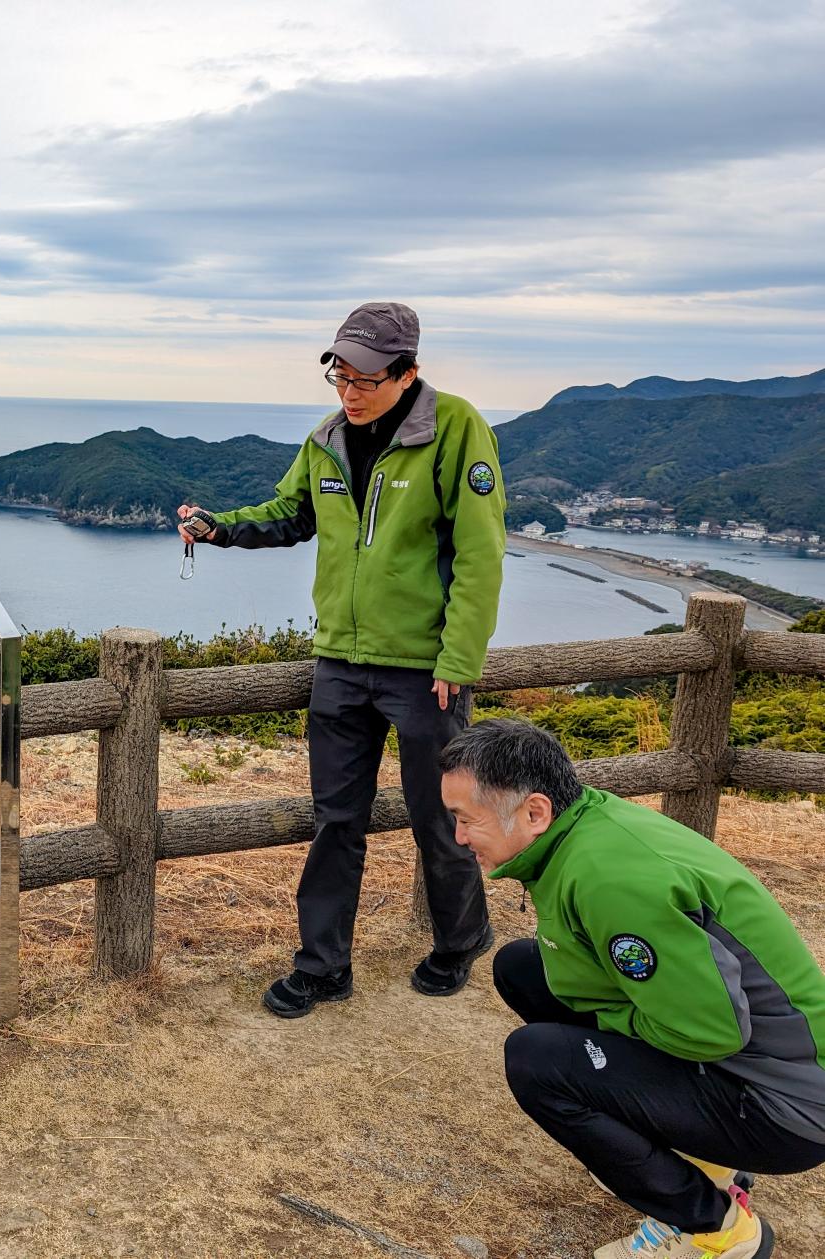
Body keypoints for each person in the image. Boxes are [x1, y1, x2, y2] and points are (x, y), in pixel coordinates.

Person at [178, 301, 506, 1017]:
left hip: (425, 668)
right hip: (339, 662)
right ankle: (324, 965)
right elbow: (290, 513)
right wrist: (219, 528)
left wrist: (459, 657)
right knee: (336, 820)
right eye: (340, 375)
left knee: (440, 814)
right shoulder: (326, 438)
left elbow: (481, 554)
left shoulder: (454, 430)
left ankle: (460, 939)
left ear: (408, 372)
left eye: (365, 378)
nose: (349, 391)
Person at [442, 717, 825, 1258]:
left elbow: (710, 1031)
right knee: (523, 967)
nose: (458, 837)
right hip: (761, 1062)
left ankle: (716, 1229)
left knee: (538, 1062)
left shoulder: (612, 879)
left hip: (782, 1106)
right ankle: (695, 1156)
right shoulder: (586, 826)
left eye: (465, 819)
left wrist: (608, 1028)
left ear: (535, 811)